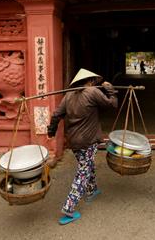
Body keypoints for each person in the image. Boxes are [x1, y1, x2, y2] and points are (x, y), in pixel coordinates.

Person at [47, 68, 118, 225]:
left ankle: (91, 190)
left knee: (86, 164)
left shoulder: (68, 95)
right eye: (94, 81)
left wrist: (51, 131)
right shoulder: (92, 91)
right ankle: (69, 208)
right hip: (88, 141)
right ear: (91, 81)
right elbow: (112, 104)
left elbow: (56, 115)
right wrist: (110, 90)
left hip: (74, 141)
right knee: (82, 173)